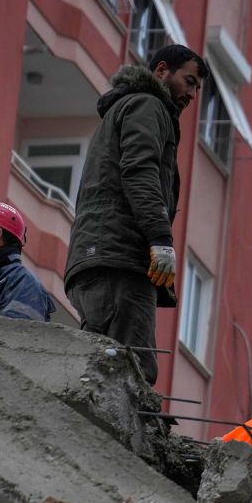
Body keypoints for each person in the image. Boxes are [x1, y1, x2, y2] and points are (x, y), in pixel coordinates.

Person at [63, 44, 207, 384]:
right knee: (133, 372)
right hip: (120, 260)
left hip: (99, 257)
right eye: (188, 81)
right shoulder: (148, 105)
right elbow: (140, 172)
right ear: (161, 71)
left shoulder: (127, 108)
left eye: (197, 87)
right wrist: (159, 239)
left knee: (103, 365)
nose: (192, 94)